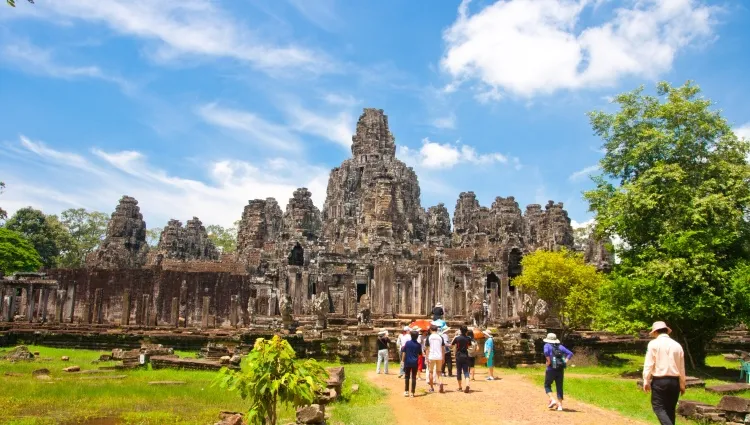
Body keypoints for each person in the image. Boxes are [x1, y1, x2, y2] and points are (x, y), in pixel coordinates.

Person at [642, 321, 686, 425]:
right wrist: (682, 384)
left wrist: (646, 380)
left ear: (655, 332)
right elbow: (681, 367)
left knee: (658, 407)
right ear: (666, 331)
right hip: (674, 381)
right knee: (670, 409)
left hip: (660, 381)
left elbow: (649, 364)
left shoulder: (653, 344)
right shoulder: (677, 345)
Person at [543, 333, 573, 411]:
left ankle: (552, 399)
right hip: (560, 370)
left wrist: (548, 361)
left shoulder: (547, 345)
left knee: (547, 385)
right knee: (559, 386)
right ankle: (560, 406)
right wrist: (565, 362)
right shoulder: (560, 346)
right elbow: (570, 353)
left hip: (550, 369)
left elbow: (546, 352)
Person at [401, 330, 422, 398]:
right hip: (414, 362)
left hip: (407, 362)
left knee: (407, 377)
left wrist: (402, 361)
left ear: (411, 336)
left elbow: (404, 352)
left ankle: (406, 391)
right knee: (413, 377)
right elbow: (420, 354)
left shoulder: (407, 343)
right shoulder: (418, 345)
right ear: (417, 336)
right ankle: (412, 392)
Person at [452, 325, 472, 393]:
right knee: (466, 371)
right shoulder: (468, 338)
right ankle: (467, 384)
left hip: (458, 355)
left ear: (460, 331)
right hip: (465, 355)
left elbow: (452, 344)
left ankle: (460, 387)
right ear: (466, 331)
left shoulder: (457, 338)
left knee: (459, 371)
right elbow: (469, 345)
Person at [425, 325, 445, 393]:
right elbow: (443, 349)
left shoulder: (429, 337)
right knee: (439, 372)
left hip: (431, 356)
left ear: (430, 330)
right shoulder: (440, 337)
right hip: (439, 356)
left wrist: (426, 358)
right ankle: (441, 383)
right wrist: (443, 357)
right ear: (437, 330)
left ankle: (431, 387)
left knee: (431, 372)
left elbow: (427, 349)